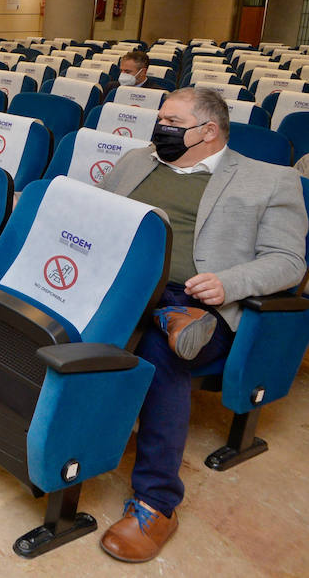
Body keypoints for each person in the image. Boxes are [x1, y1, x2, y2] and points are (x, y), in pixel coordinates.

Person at [97, 87, 306, 562]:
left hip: (197, 304)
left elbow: (289, 260)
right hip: (122, 284)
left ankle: (156, 504)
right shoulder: (136, 160)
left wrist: (229, 283)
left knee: (163, 349)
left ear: (209, 130)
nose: (159, 130)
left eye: (172, 122)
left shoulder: (270, 180)